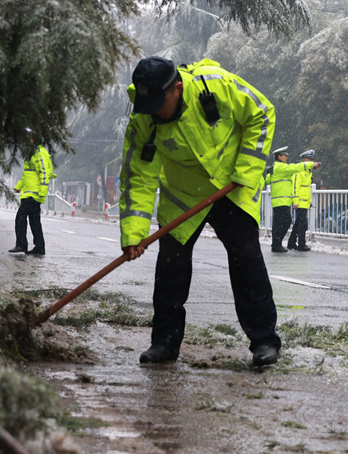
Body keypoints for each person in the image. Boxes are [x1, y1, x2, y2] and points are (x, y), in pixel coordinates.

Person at [119, 56, 281, 367]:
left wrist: (245, 173)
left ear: (177, 88)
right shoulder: (143, 119)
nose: (152, 110)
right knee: (170, 269)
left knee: (246, 260)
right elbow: (136, 177)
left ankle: (264, 341)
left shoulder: (215, 85)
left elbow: (262, 113)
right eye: (146, 102)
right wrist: (133, 235)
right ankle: (164, 343)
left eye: (158, 102)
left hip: (231, 185)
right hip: (183, 198)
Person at [9, 129, 55, 256]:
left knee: (20, 218)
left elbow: (44, 174)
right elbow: (27, 175)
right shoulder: (31, 153)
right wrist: (18, 186)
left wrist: (42, 192)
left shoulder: (39, 153)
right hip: (30, 193)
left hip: (33, 194)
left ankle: (21, 245)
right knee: (34, 221)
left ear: (33, 139)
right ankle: (39, 247)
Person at [268, 147, 319, 252]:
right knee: (283, 222)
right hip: (281, 200)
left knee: (285, 222)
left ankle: (278, 244)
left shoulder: (279, 167)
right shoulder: (280, 167)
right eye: (284, 155)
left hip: (284, 200)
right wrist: (311, 165)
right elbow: (293, 170)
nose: (287, 157)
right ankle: (277, 245)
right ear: (279, 156)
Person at [288, 149, 321, 250]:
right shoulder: (299, 171)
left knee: (299, 224)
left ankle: (291, 243)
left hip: (305, 203)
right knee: (302, 225)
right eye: (309, 159)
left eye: (312, 159)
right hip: (300, 203)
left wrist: (309, 200)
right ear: (304, 159)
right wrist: (295, 201)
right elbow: (295, 187)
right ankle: (301, 244)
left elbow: (307, 188)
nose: (311, 161)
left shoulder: (308, 171)